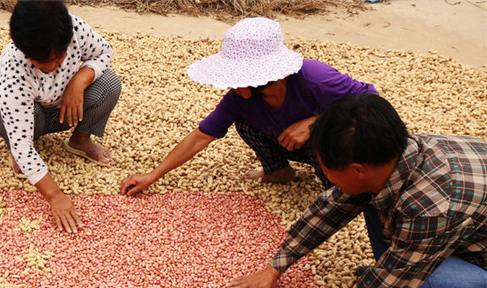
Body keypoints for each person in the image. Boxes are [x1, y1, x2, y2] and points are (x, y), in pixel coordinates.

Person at [226, 94, 487, 288]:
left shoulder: (429, 208)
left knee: (414, 277)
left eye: (326, 169)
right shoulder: (393, 152)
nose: (325, 176)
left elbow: (393, 279)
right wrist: (276, 266)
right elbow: (332, 207)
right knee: (372, 200)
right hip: (468, 229)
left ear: (357, 170)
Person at [121, 17, 376, 196]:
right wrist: (152, 175)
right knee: (245, 124)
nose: (232, 84)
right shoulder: (239, 98)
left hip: (333, 149)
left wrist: (316, 123)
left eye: (239, 77)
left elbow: (372, 101)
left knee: (329, 147)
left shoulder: (313, 77)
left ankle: (341, 190)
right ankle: (279, 172)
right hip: (292, 146)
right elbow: (201, 136)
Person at [0, 0, 121, 233]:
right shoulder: (14, 69)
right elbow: (22, 144)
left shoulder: (73, 29)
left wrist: (79, 81)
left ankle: (79, 140)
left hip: (64, 106)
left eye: (59, 57)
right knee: (22, 138)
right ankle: (22, 155)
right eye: (43, 61)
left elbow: (105, 51)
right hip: (29, 115)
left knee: (109, 83)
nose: (52, 66)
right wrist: (55, 196)